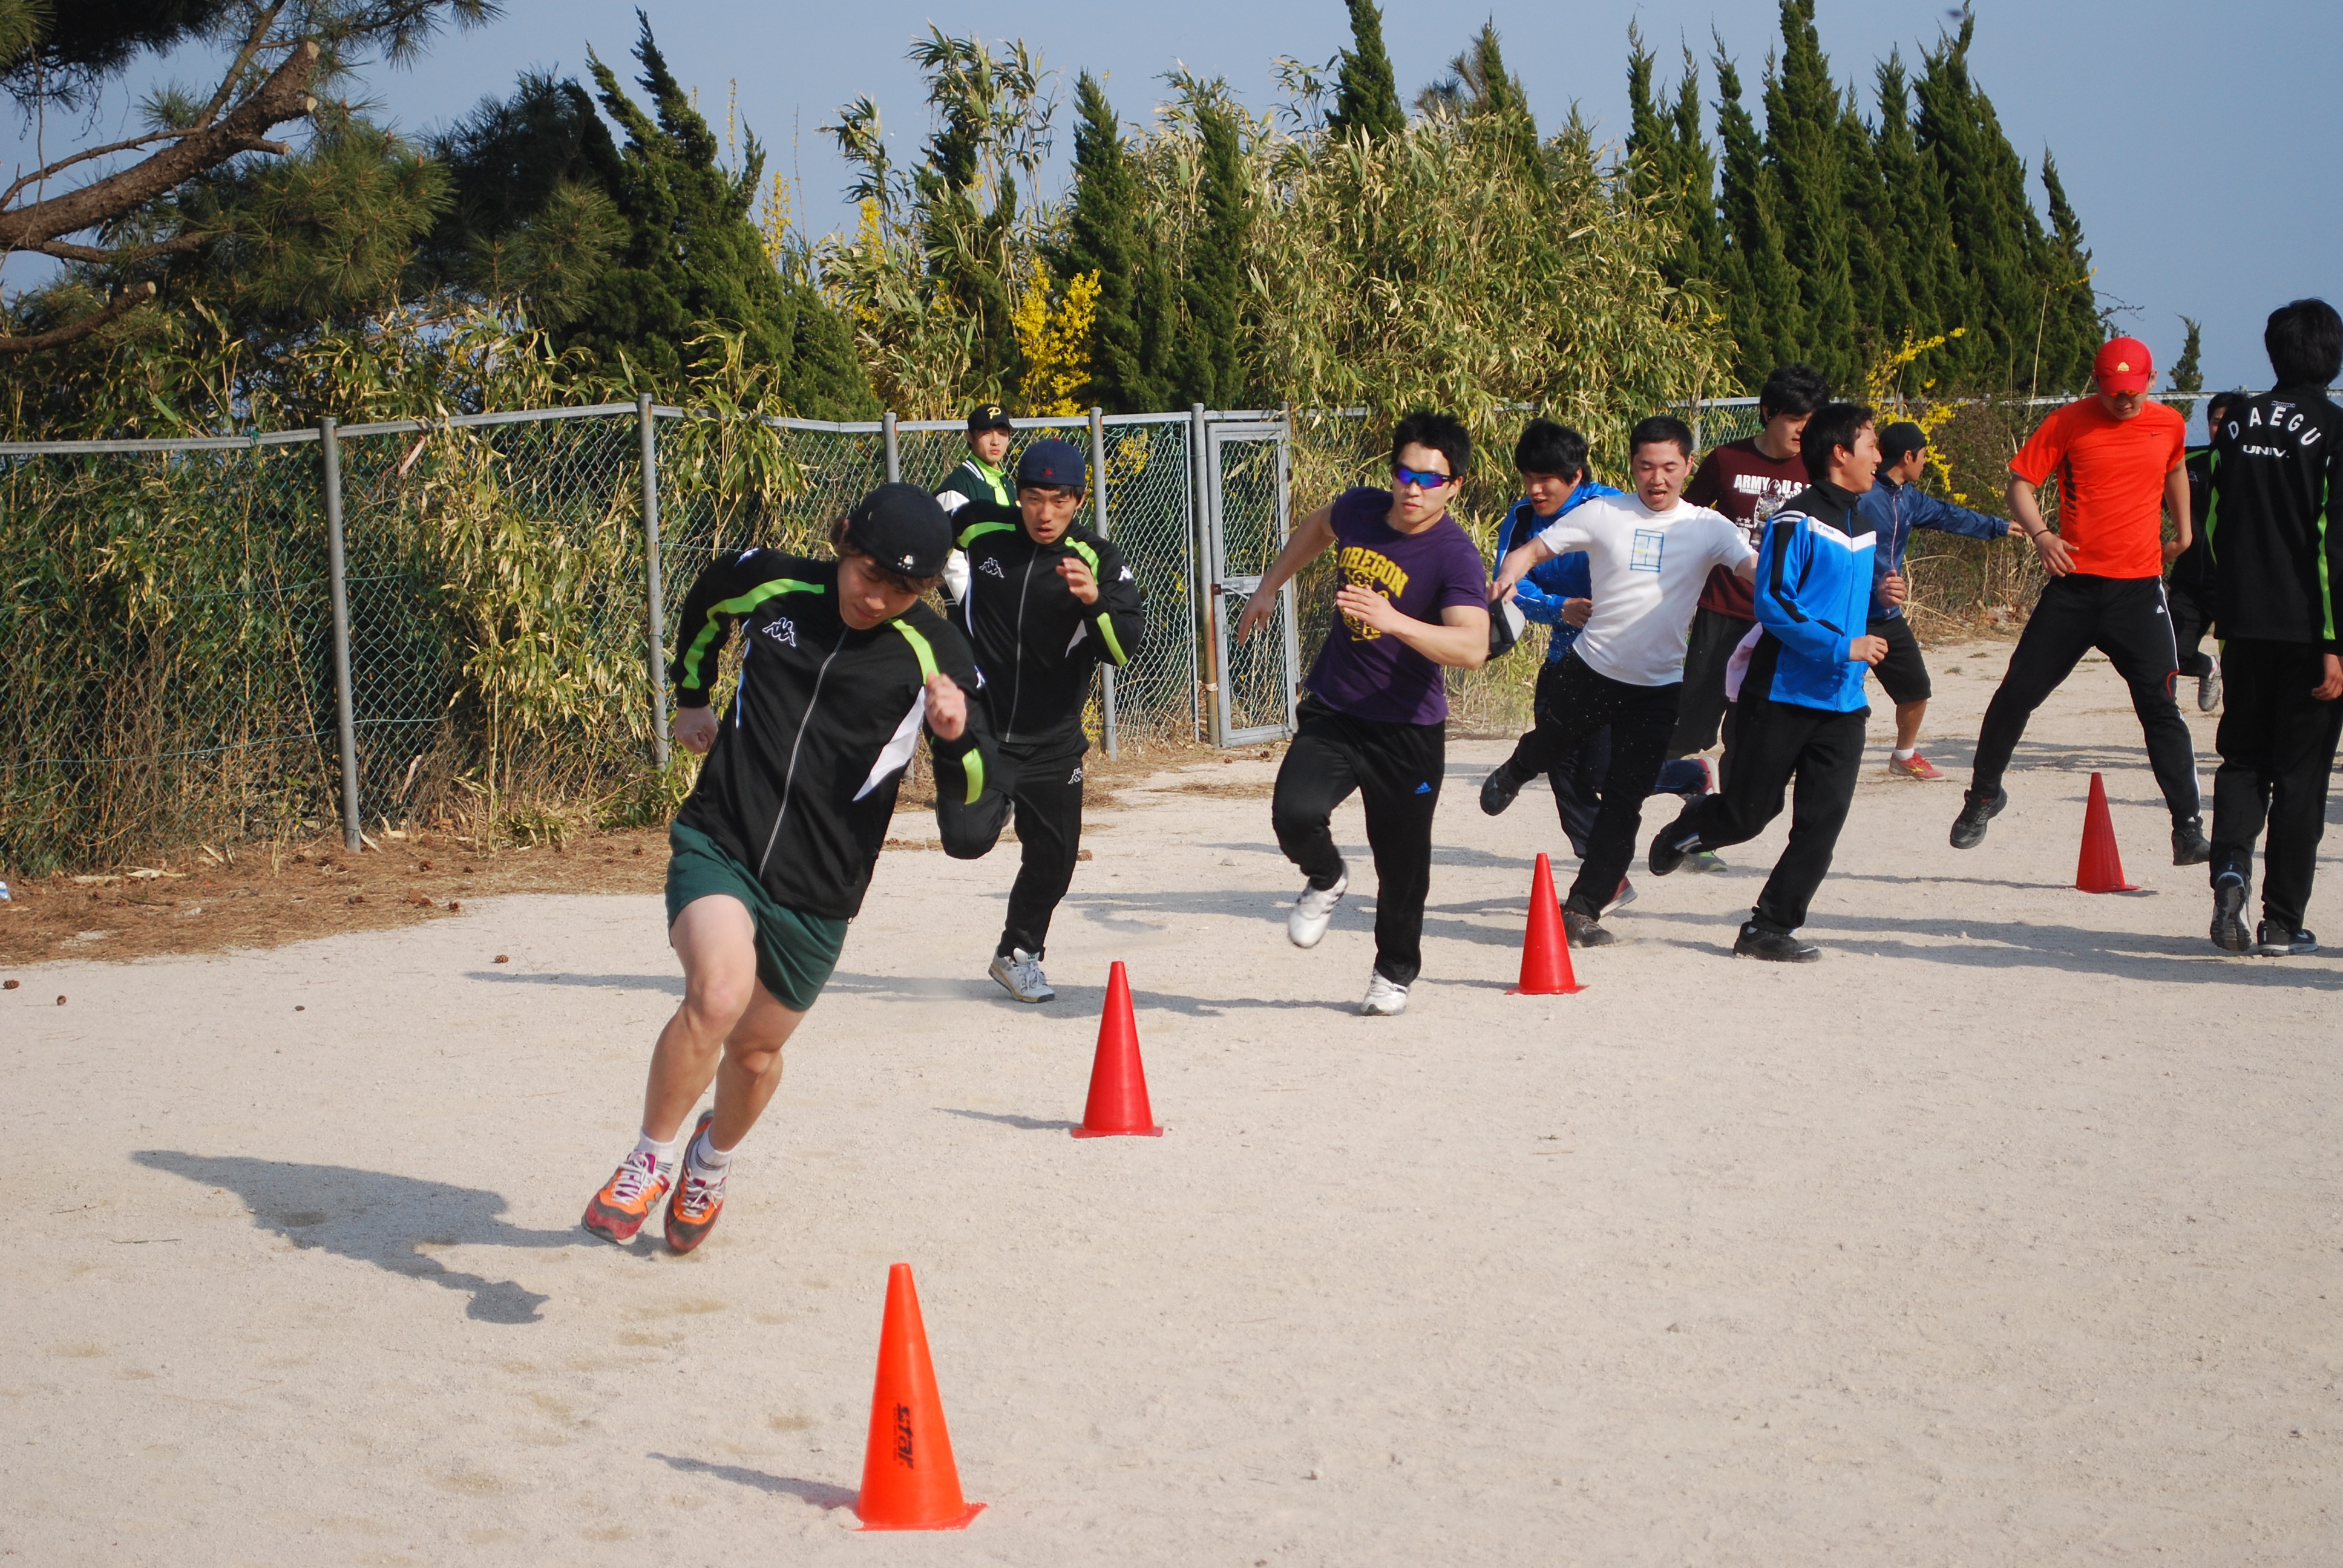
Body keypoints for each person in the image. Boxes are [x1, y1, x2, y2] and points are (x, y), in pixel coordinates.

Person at [582, 485, 997, 1254]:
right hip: (723, 839)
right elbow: (709, 598)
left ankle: (710, 1161)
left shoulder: (936, 652)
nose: (876, 598)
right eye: (868, 574)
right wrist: (691, 696)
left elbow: (977, 816)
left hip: (820, 886)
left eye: (902, 589)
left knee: (755, 1053)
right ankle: (648, 1160)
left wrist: (955, 736)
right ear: (844, 544)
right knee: (717, 994)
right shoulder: (775, 583)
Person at [1236, 410, 1491, 1017]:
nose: (1413, 489)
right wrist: (1270, 585)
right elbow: (1318, 526)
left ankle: (1393, 972)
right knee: (1294, 813)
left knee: (1401, 862)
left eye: (1430, 479)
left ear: (1454, 486)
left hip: (1407, 729)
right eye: (1405, 473)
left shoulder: (1454, 556)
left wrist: (1394, 621)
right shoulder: (1360, 509)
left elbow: (1472, 647)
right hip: (1337, 707)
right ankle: (1326, 877)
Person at [1481, 415, 1758, 947]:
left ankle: (1583, 909)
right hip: (1590, 670)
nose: (1658, 478)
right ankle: (1517, 769)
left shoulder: (1709, 528)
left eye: (1669, 467)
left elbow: (1754, 569)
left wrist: (1801, 584)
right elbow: (1531, 552)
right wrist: (1508, 578)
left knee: (1624, 801)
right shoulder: (1604, 513)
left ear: (1688, 467)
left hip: (1657, 689)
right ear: (1632, 466)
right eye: (1646, 467)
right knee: (1553, 745)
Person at [1950, 336, 2211, 864]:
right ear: (2098, 383)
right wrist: (2042, 535)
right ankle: (1982, 796)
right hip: (2074, 588)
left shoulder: (2168, 423)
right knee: (2016, 694)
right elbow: (2019, 484)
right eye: (2114, 391)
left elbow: (2174, 469)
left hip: (2138, 592)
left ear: (2151, 380)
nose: (2125, 400)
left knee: (2161, 707)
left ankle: (2187, 829)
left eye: (2133, 391)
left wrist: (2185, 530)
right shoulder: (2068, 422)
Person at [1647, 403, 1893, 962]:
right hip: (1780, 695)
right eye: (1871, 444)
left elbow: (1842, 603)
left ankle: (1768, 927)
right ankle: (1691, 826)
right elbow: (1775, 603)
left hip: (1843, 701)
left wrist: (1880, 602)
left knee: (1822, 822)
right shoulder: (1794, 520)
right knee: (1748, 816)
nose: (1879, 457)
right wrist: (1842, 646)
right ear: (1841, 453)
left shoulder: (1864, 523)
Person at [937, 439, 1146, 1002]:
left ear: (1078, 500)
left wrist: (1094, 602)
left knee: (1054, 859)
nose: (1045, 513)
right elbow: (921, 534)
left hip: (1052, 737)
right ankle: (998, 795)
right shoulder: (980, 525)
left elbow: (1122, 649)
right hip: (983, 723)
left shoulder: (1098, 558)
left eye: (1058, 500)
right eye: (1033, 498)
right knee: (964, 841)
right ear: (1019, 497)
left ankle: (1018, 953)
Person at [2201, 299, 2343, 956]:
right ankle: (2282, 921)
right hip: (2308, 632)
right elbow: (2332, 544)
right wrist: (2334, 643)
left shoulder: (2236, 422)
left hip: (2243, 625)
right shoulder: (2333, 429)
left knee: (2241, 759)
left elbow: (2214, 523)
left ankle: (2229, 871)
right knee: (2299, 776)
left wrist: (2225, 608)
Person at [1670, 364, 1833, 773]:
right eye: (1793, 418)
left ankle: (1738, 788)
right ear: (1767, 412)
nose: (1803, 429)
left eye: (1811, 420)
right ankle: (1667, 777)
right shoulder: (1727, 459)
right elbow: (1686, 521)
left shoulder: (1821, 471)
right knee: (1693, 716)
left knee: (1758, 719)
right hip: (1723, 605)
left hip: (1786, 612)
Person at [1856, 421, 2020, 779]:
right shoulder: (1863, 496)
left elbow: (1950, 515)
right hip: (1851, 614)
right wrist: (1871, 589)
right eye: (1924, 455)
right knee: (1837, 695)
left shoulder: (1908, 498)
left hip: (1886, 615)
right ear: (1908, 456)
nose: (1926, 462)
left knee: (1916, 689)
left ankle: (1903, 755)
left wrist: (1998, 526)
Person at [2173, 390, 2244, 713]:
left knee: (2242, 668)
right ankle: (2207, 668)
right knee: (2170, 654)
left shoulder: (2258, 467)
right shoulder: (2188, 463)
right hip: (2191, 582)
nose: (2223, 428)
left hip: (2237, 587)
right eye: (2216, 422)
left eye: (2231, 422)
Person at [934, 403, 1016, 604]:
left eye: (1002, 433)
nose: (996, 441)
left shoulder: (1007, 484)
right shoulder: (957, 489)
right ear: (969, 437)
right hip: (972, 606)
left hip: (1006, 601)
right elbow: (952, 563)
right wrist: (975, 610)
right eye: (986, 433)